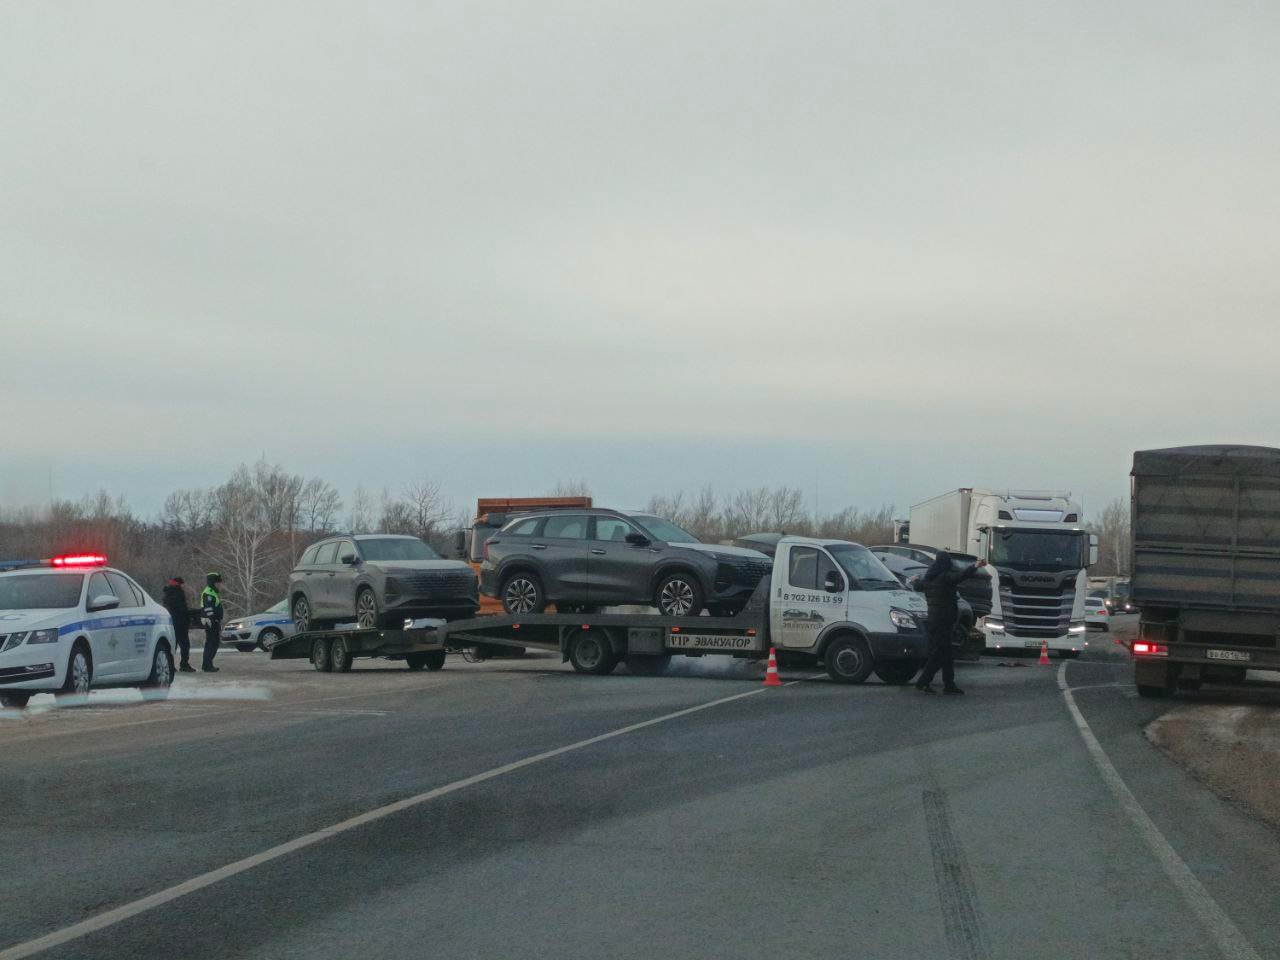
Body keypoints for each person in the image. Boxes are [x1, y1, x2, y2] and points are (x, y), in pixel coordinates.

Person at [915, 551, 987, 695]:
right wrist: (975, 566)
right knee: (940, 654)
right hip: (944, 620)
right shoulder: (945, 577)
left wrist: (914, 581)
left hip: (934, 620)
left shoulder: (929, 578)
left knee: (947, 653)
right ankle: (923, 681)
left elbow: (918, 586)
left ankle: (949, 684)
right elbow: (961, 576)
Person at [161, 576, 194, 672]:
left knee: (172, 645)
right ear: (179, 584)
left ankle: (170, 665)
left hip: (170, 623)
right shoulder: (179, 594)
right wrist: (189, 616)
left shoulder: (166, 594)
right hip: (180, 622)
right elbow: (182, 609)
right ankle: (184, 665)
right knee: (185, 645)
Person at [200, 573, 225, 673]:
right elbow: (208, 608)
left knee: (212, 643)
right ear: (213, 582)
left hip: (212, 621)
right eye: (217, 582)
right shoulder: (209, 592)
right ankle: (207, 665)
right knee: (212, 643)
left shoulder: (212, 592)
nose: (219, 584)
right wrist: (213, 619)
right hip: (210, 621)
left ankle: (207, 664)